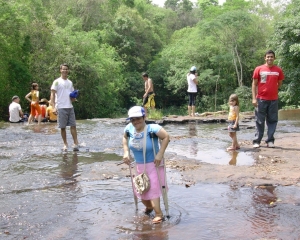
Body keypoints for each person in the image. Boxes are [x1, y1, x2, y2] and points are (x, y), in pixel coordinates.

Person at [123, 106, 169, 224]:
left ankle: (159, 213)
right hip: (139, 166)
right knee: (141, 191)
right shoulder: (129, 129)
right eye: (132, 119)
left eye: (138, 118)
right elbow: (124, 138)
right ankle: (149, 208)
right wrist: (126, 152)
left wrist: (159, 154)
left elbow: (166, 137)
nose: (135, 122)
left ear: (144, 117)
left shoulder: (152, 129)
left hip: (154, 164)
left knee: (153, 190)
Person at [252, 50, 284, 148]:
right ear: (265, 58)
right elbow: (254, 84)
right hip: (261, 99)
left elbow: (280, 83)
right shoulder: (259, 69)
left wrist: (272, 91)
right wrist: (254, 98)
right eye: (268, 56)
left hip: (273, 100)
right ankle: (257, 141)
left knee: (273, 120)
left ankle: (270, 141)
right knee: (259, 121)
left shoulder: (278, 70)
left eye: (271, 57)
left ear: (274, 58)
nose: (270, 58)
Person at [50, 63, 79, 151]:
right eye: (63, 69)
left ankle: (75, 143)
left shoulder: (70, 82)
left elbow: (71, 95)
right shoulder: (57, 81)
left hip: (70, 106)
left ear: (68, 71)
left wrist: (74, 98)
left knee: (73, 126)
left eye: (66, 69)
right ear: (60, 70)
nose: (65, 71)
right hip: (61, 107)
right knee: (63, 127)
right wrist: (53, 107)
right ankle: (65, 144)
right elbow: (52, 94)